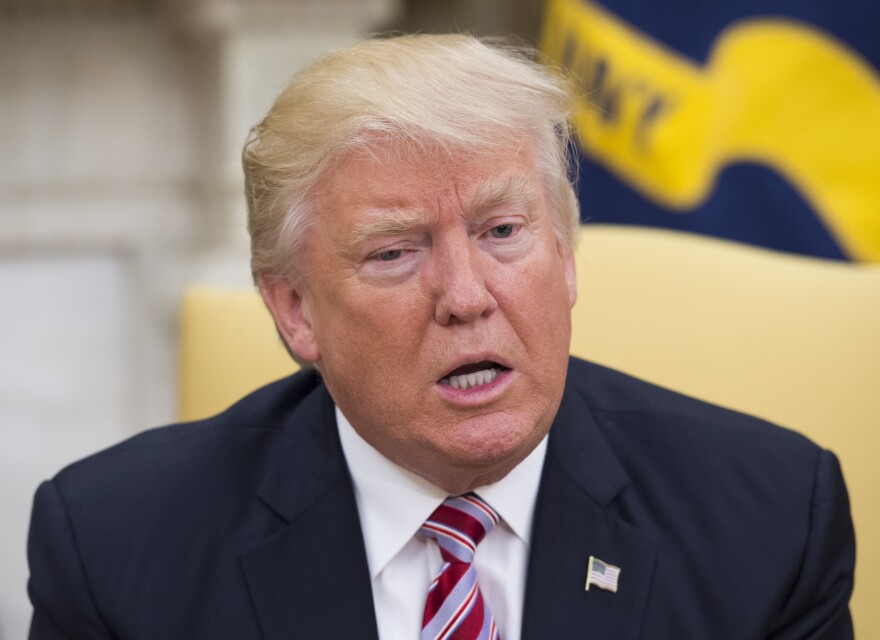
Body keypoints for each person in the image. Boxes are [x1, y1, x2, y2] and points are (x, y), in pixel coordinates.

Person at [27, 34, 854, 639]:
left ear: (565, 260)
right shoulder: (115, 546)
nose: (466, 298)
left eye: (502, 232)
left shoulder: (770, 519)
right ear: (294, 310)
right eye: (394, 252)